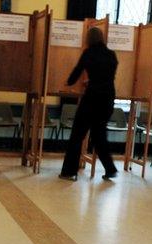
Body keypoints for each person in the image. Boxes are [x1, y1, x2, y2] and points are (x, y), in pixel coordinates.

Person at [59, 26, 119, 180]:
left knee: (77, 134)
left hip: (92, 97)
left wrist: (67, 82)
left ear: (89, 39)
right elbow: (108, 75)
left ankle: (69, 171)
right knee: (99, 135)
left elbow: (77, 71)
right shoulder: (112, 55)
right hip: (108, 99)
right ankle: (110, 169)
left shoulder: (88, 53)